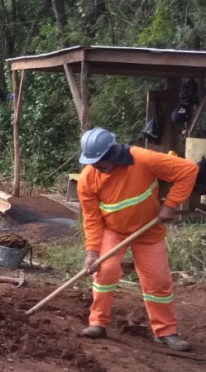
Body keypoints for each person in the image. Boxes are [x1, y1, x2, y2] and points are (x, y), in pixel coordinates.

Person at [76, 127, 198, 352]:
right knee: (105, 270)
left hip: (148, 231)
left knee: (158, 280)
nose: (95, 166)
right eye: (91, 162)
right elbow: (92, 219)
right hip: (113, 231)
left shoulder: (142, 159)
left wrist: (170, 204)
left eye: (99, 161)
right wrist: (92, 253)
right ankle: (97, 323)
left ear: (112, 153)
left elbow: (188, 170)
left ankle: (166, 332)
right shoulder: (87, 180)